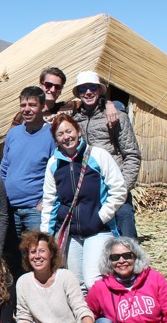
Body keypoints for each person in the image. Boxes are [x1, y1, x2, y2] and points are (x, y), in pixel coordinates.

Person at [40, 114, 126, 290]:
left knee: (92, 279)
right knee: (76, 284)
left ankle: (104, 317)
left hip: (98, 230)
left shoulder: (98, 155)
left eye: (69, 131)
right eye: (60, 134)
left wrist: (101, 217)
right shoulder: (54, 164)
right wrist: (46, 237)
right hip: (72, 234)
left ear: (78, 131)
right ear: (56, 139)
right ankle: (86, 317)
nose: (66, 137)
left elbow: (118, 190)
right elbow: (50, 202)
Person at [71, 71, 142, 238]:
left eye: (92, 88)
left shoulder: (116, 117)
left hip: (114, 187)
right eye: (83, 89)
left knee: (126, 236)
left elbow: (132, 154)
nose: (88, 92)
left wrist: (122, 188)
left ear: (99, 90)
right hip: (90, 190)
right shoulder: (75, 119)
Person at [14, 231, 106, 323]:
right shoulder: (23, 282)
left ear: (51, 253)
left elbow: (80, 308)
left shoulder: (65, 276)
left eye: (42, 251)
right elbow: (23, 317)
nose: (37, 256)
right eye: (33, 252)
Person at [0, 87, 56, 241]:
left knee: (39, 252)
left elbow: (57, 173)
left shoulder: (52, 135)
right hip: (10, 208)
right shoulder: (13, 133)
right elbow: (4, 168)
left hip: (35, 210)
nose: (27, 109)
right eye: (23, 105)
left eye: (32, 105)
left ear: (43, 106)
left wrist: (44, 202)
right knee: (11, 257)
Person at [10, 67, 119, 127]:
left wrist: (109, 104)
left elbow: (91, 100)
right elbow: (11, 143)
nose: (52, 89)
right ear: (40, 85)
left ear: (61, 90)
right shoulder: (24, 114)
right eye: (48, 85)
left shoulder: (69, 107)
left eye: (57, 86)